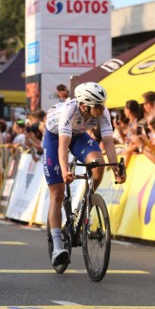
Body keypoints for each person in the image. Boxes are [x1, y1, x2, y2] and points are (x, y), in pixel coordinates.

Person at [43, 82, 126, 266]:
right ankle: (58, 247)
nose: (102, 108)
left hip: (79, 136)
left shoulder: (102, 111)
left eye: (102, 104)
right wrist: (65, 171)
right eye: (97, 106)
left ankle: (85, 202)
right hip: (56, 137)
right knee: (57, 192)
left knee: (99, 163)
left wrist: (115, 169)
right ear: (83, 105)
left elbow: (108, 141)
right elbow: (63, 146)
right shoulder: (70, 110)